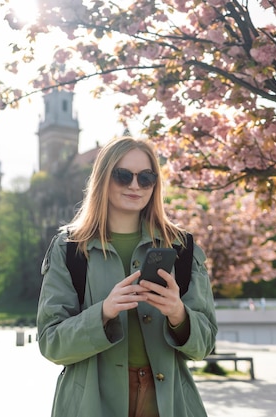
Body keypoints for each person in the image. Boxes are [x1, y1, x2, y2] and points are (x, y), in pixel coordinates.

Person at [38, 137, 217, 417]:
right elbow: (51, 344)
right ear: (103, 179)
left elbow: (204, 345)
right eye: (123, 176)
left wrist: (179, 314)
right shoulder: (69, 248)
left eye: (146, 178)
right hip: (90, 405)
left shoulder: (182, 247)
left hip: (168, 403)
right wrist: (103, 314)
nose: (135, 186)